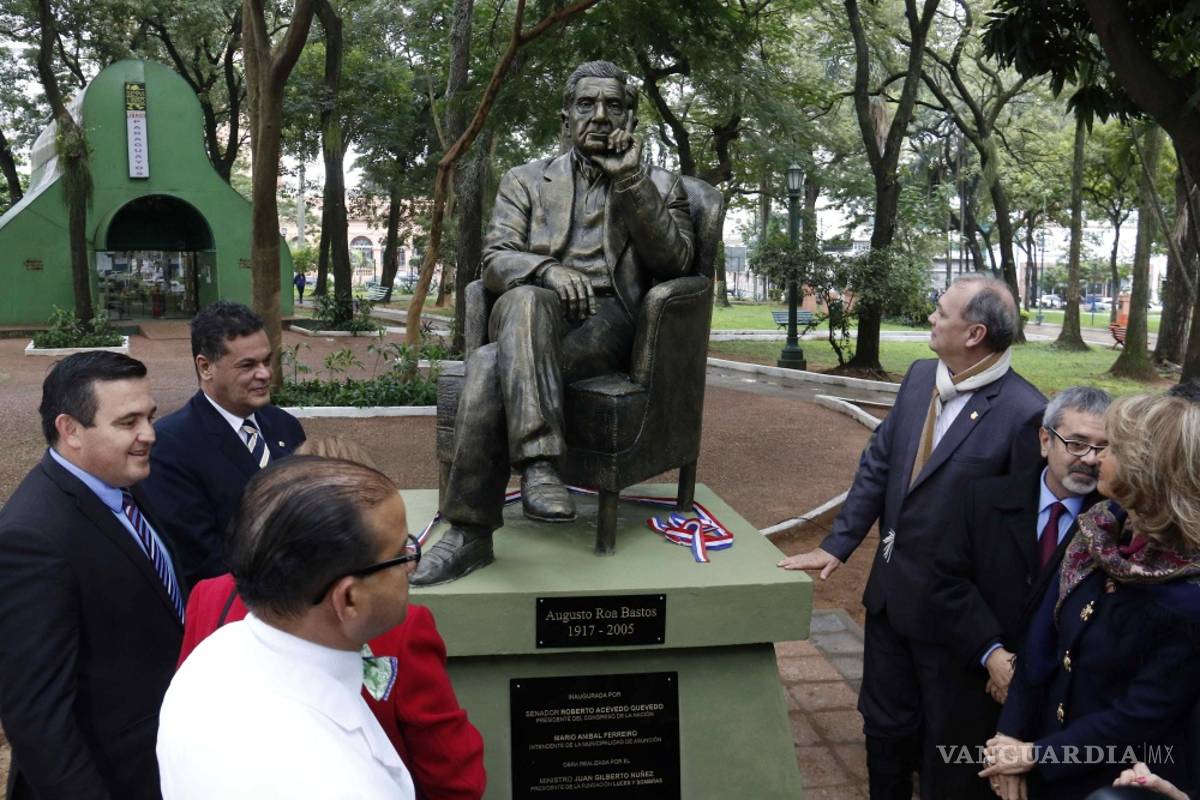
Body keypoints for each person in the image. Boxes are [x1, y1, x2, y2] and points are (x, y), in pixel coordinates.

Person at [414, 60, 694, 585]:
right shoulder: (525, 180)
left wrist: (631, 181)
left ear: (631, 117)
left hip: (604, 326)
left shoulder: (659, 183)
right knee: (523, 304)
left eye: (613, 105)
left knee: (489, 363)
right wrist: (546, 269)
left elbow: (677, 263)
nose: (600, 115)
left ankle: (469, 533)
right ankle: (539, 464)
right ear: (566, 117)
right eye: (586, 104)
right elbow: (495, 260)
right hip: (531, 312)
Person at [779, 273, 1046, 799]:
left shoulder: (1023, 414)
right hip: (888, 601)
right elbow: (880, 463)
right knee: (883, 733)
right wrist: (838, 543)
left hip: (955, 626)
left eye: (941, 311)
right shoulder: (923, 376)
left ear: (973, 334)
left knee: (945, 752)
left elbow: (1016, 548)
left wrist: (996, 646)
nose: (931, 317)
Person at [175, 437, 486, 800]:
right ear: (349, 597)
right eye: (400, 554)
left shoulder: (203, 664)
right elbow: (456, 779)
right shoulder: (343, 779)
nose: (410, 566)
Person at [980, 394, 1200, 800]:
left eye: (1112, 446)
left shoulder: (1187, 599)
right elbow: (1040, 642)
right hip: (1042, 764)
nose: (1098, 458)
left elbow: (1141, 714)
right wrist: (1009, 736)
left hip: (1117, 782)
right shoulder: (1098, 532)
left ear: (1145, 471)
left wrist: (1036, 755)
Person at [0, 352, 185, 799]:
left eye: (150, 416)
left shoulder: (121, 485)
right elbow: (38, 719)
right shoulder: (31, 539)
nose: (149, 435)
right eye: (128, 422)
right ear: (71, 430)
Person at [930, 386, 1110, 798]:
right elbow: (946, 581)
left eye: (1103, 447)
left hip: (1059, 712)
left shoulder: (1113, 525)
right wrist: (993, 655)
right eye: (1077, 443)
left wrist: (1023, 675)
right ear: (1045, 441)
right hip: (973, 688)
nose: (1090, 459)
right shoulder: (982, 498)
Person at [143, 300, 305, 585]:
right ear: (206, 367)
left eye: (266, 361)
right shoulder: (170, 447)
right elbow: (202, 559)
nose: (265, 374)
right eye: (248, 365)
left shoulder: (285, 426)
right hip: (238, 611)